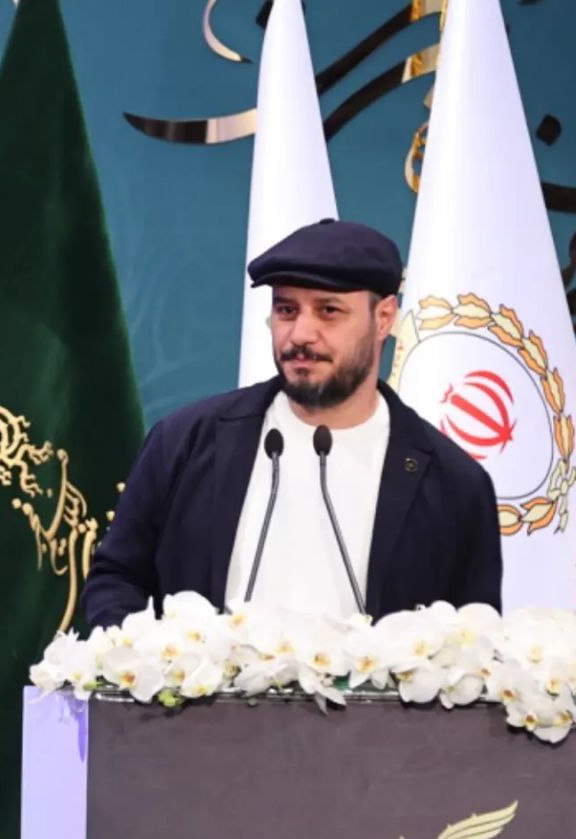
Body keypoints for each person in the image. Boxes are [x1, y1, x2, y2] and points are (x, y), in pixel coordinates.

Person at [83, 219, 502, 628]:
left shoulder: (453, 483)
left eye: (328, 311)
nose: (301, 334)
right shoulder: (186, 441)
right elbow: (117, 580)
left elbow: (473, 637)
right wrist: (143, 656)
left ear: (384, 318)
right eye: (287, 310)